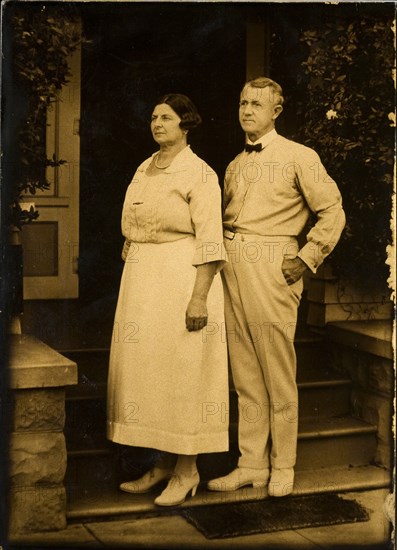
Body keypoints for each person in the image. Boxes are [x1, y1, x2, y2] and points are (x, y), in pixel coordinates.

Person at [207, 77, 346, 497]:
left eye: (257, 104)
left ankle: (283, 464)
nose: (247, 110)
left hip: (273, 266)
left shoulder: (299, 156)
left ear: (276, 111)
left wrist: (305, 258)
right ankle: (251, 464)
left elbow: (333, 210)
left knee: (277, 371)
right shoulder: (234, 164)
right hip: (232, 264)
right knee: (245, 372)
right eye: (243, 102)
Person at [107, 93, 229, 507]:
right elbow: (135, 219)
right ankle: (160, 464)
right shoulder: (145, 167)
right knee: (149, 372)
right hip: (143, 282)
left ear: (186, 123)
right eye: (154, 117)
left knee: (182, 373)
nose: (158, 124)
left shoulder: (200, 173)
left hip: (183, 277)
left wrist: (199, 299)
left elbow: (211, 241)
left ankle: (187, 470)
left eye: (167, 117)